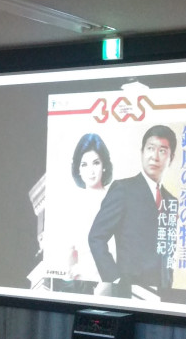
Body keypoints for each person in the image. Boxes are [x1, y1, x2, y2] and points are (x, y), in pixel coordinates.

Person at [88, 124, 178, 298]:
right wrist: (115, 279)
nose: (155, 157)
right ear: (142, 152)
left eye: (162, 151)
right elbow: (96, 237)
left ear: (171, 158)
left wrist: (169, 283)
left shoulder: (172, 201)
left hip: (164, 294)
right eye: (150, 148)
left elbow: (168, 250)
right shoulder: (123, 189)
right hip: (130, 290)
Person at [62, 133, 113, 292]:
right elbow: (70, 252)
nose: (91, 171)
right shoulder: (73, 205)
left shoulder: (116, 200)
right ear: (78, 169)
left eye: (95, 163)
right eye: (84, 165)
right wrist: (72, 272)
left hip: (110, 283)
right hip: (81, 284)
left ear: (104, 165)